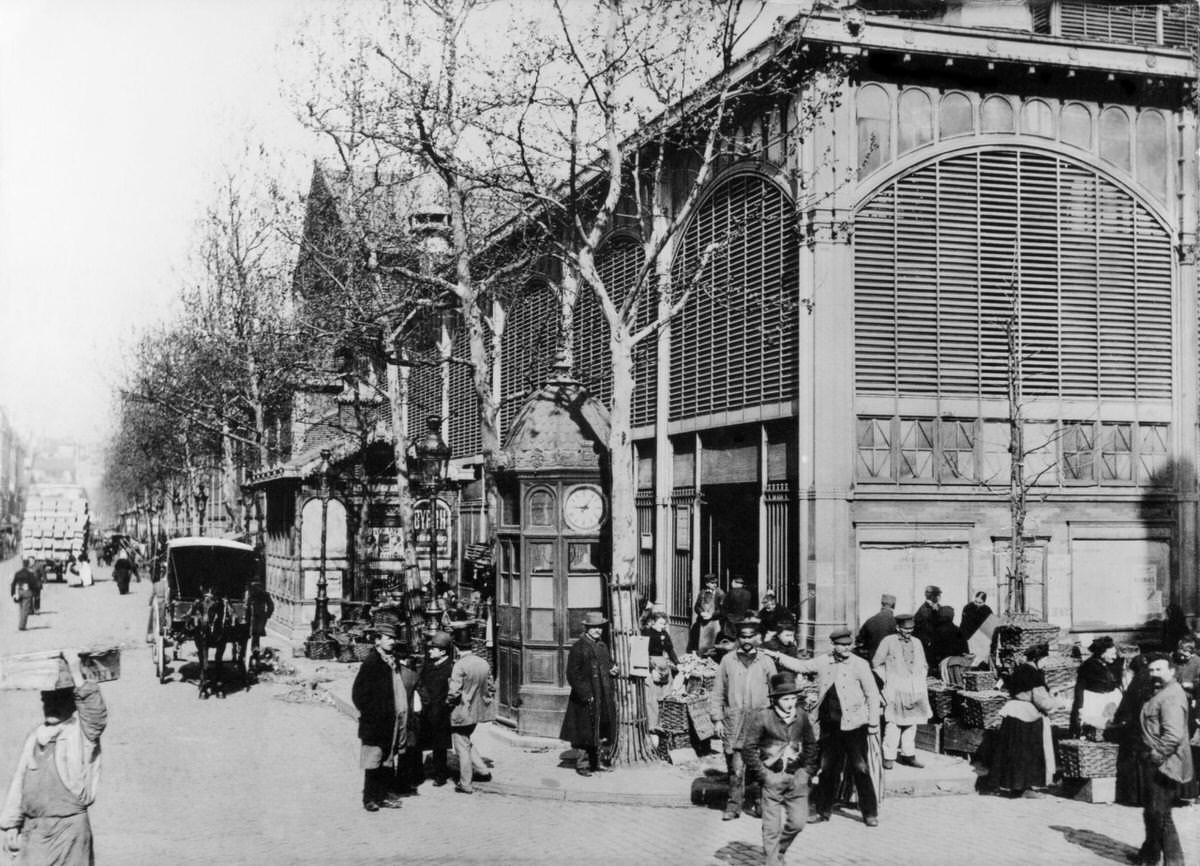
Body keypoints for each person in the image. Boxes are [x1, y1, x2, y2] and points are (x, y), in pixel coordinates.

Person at [0, 657, 108, 865]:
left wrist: (76, 669)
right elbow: (20, 781)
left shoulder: (81, 733)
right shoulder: (35, 738)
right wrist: (12, 824)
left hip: (70, 832)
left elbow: (95, 712)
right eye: (46, 701)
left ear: (72, 702)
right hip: (35, 832)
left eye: (58, 700)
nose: (51, 706)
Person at [770, 629, 882, 827]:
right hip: (830, 725)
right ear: (833, 645)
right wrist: (776, 656)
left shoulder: (860, 665)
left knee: (860, 768)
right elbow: (801, 666)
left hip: (855, 725)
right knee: (828, 769)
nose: (846, 648)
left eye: (849, 644)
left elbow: (872, 694)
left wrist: (873, 722)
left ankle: (870, 813)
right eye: (842, 644)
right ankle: (823, 810)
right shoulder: (824, 661)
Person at [743, 672, 819, 866]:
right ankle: (772, 861)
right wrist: (764, 775)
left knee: (797, 823)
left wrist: (806, 772)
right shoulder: (763, 717)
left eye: (793, 698)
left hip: (797, 778)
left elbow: (811, 745)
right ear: (776, 700)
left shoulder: (801, 716)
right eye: (785, 699)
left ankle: (779, 851)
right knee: (771, 828)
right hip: (773, 778)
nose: (790, 703)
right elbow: (748, 749)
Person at [709, 621, 776, 820]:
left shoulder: (766, 661)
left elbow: (774, 692)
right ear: (738, 638)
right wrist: (717, 719)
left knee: (759, 766)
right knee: (736, 767)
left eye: (750, 636)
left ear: (757, 638)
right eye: (743, 637)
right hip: (735, 721)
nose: (747, 641)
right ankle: (733, 805)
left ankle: (759, 802)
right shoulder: (728, 661)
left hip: (759, 721)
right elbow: (718, 691)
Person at [1131, 654, 1193, 866]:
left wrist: (1157, 755)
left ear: (1172, 671)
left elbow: (1173, 735)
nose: (1154, 674)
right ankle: (1149, 855)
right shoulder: (1161, 692)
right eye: (1151, 670)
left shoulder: (1171, 697)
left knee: (1161, 813)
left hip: (1164, 762)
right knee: (1152, 810)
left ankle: (1175, 861)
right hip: (1155, 759)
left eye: (1159, 670)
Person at [351, 622, 418, 812]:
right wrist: (373, 714)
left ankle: (384, 795)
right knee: (373, 761)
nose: (391, 641)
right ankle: (369, 798)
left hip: (393, 722)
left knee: (388, 759)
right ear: (377, 641)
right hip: (376, 724)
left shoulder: (392, 661)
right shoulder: (372, 664)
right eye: (387, 638)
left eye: (393, 638)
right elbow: (358, 695)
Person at [989, 643, 1059, 798]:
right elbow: (1042, 701)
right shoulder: (1034, 673)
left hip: (1013, 714)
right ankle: (1025, 788)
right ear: (1038, 659)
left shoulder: (1020, 670)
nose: (1046, 663)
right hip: (1027, 717)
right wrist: (1057, 701)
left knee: (1013, 752)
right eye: (1045, 659)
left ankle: (1011, 786)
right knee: (1028, 754)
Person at [871, 612, 931, 770]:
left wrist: (920, 678)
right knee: (893, 723)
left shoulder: (917, 642)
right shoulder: (888, 641)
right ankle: (889, 756)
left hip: (915, 688)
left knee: (912, 723)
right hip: (895, 688)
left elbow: (924, 664)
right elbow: (876, 663)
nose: (908, 632)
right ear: (898, 628)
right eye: (905, 629)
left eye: (911, 629)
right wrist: (889, 679)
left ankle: (908, 755)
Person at [561, 611, 617, 777]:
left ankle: (599, 762)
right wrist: (586, 694)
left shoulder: (602, 646)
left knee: (601, 730)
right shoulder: (579, 647)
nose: (597, 631)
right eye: (593, 628)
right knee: (585, 732)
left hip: (603, 695)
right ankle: (583, 765)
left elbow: (606, 663)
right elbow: (572, 674)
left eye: (599, 627)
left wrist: (612, 668)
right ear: (586, 628)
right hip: (587, 697)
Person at [447, 630, 494, 794]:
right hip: (477, 712)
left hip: (461, 711)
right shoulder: (483, 663)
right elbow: (490, 687)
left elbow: (454, 692)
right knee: (466, 741)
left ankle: (465, 783)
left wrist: (447, 703)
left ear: (456, 647)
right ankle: (483, 770)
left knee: (461, 747)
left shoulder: (459, 665)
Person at [418, 631, 454, 787]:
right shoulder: (428, 665)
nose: (430, 651)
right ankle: (421, 773)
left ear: (443, 652)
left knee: (440, 746)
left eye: (433, 649)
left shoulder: (450, 668)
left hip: (441, 713)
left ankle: (441, 775)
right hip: (427, 710)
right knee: (423, 742)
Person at [1070, 636, 1123, 737]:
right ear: (1102, 653)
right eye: (1112, 654)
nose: (1115, 657)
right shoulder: (1088, 666)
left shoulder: (1110, 665)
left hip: (1108, 704)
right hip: (1093, 704)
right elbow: (1079, 689)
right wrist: (1080, 709)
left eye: (1115, 654)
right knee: (1094, 731)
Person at [642, 609, 679, 742]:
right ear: (653, 622)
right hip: (651, 664)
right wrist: (651, 669)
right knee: (652, 698)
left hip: (663, 663)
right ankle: (652, 728)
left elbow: (670, 649)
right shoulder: (646, 633)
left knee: (666, 695)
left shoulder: (664, 633)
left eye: (664, 624)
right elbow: (643, 652)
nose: (663, 626)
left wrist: (677, 663)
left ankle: (664, 725)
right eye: (660, 623)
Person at [244, 580, 275, 673]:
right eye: (254, 586)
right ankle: (251, 655)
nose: (255, 588)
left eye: (257, 586)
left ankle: (255, 655)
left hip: (259, 619)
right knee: (251, 636)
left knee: (256, 636)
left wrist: (267, 615)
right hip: (251, 618)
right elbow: (247, 606)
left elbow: (271, 606)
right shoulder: (250, 594)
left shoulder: (264, 594)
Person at [857, 594, 897, 661]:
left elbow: (859, 640)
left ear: (881, 604)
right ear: (893, 605)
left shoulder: (870, 620)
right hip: (889, 659)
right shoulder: (895, 622)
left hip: (871, 658)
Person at [929, 606, 969, 675]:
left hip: (942, 666)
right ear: (952, 617)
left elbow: (932, 653)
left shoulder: (936, 631)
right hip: (958, 665)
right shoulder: (958, 630)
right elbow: (965, 651)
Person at [912, 585, 943, 663]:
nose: (940, 597)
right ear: (933, 596)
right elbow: (926, 629)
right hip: (928, 646)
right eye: (939, 595)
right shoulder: (924, 610)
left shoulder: (936, 607)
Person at [722, 575, 755, 640]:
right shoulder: (748, 593)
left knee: (730, 639)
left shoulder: (731, 593)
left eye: (732, 582)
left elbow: (725, 607)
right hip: (743, 620)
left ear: (734, 582)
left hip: (731, 620)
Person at [10, 559, 37, 631]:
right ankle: (21, 626)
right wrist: (34, 592)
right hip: (27, 592)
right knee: (25, 610)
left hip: (19, 592)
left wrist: (13, 594)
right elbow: (33, 583)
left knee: (21, 609)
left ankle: (21, 623)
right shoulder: (30, 574)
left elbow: (13, 584)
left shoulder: (17, 573)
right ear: (28, 564)